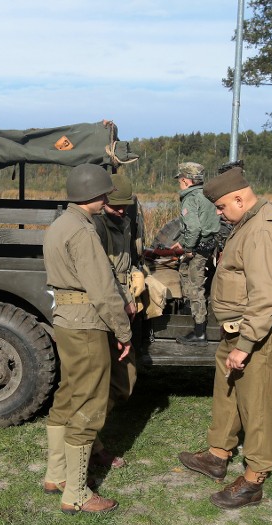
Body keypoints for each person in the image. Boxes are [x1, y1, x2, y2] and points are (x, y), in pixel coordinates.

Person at [178, 166, 272, 510]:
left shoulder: (262, 230)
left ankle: (254, 479)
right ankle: (218, 455)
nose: (218, 214)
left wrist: (246, 345)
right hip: (239, 327)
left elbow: (265, 296)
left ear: (239, 197)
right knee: (229, 390)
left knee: (257, 403)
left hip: (258, 331)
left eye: (220, 207)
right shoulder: (246, 222)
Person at [42, 163, 133, 515]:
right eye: (105, 192)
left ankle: (56, 475)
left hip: (65, 321)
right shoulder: (83, 231)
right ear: (94, 195)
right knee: (89, 405)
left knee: (67, 396)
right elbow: (103, 289)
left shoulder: (60, 224)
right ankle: (77, 492)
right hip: (87, 325)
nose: (108, 197)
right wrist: (123, 331)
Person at [90, 173, 145, 470]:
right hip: (106, 310)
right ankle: (90, 445)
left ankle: (89, 437)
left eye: (126, 206)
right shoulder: (95, 226)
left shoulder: (121, 221)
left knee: (125, 379)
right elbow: (99, 276)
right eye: (116, 206)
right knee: (101, 384)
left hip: (123, 305)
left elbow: (124, 264)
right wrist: (119, 304)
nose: (122, 211)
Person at [169, 162, 221, 345]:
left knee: (194, 286)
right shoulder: (207, 195)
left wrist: (188, 248)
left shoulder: (190, 198)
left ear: (185, 180)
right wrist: (182, 242)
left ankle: (199, 332)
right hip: (208, 245)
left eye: (180, 180)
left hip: (198, 249)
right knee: (185, 274)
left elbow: (194, 227)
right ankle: (190, 311)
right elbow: (205, 224)